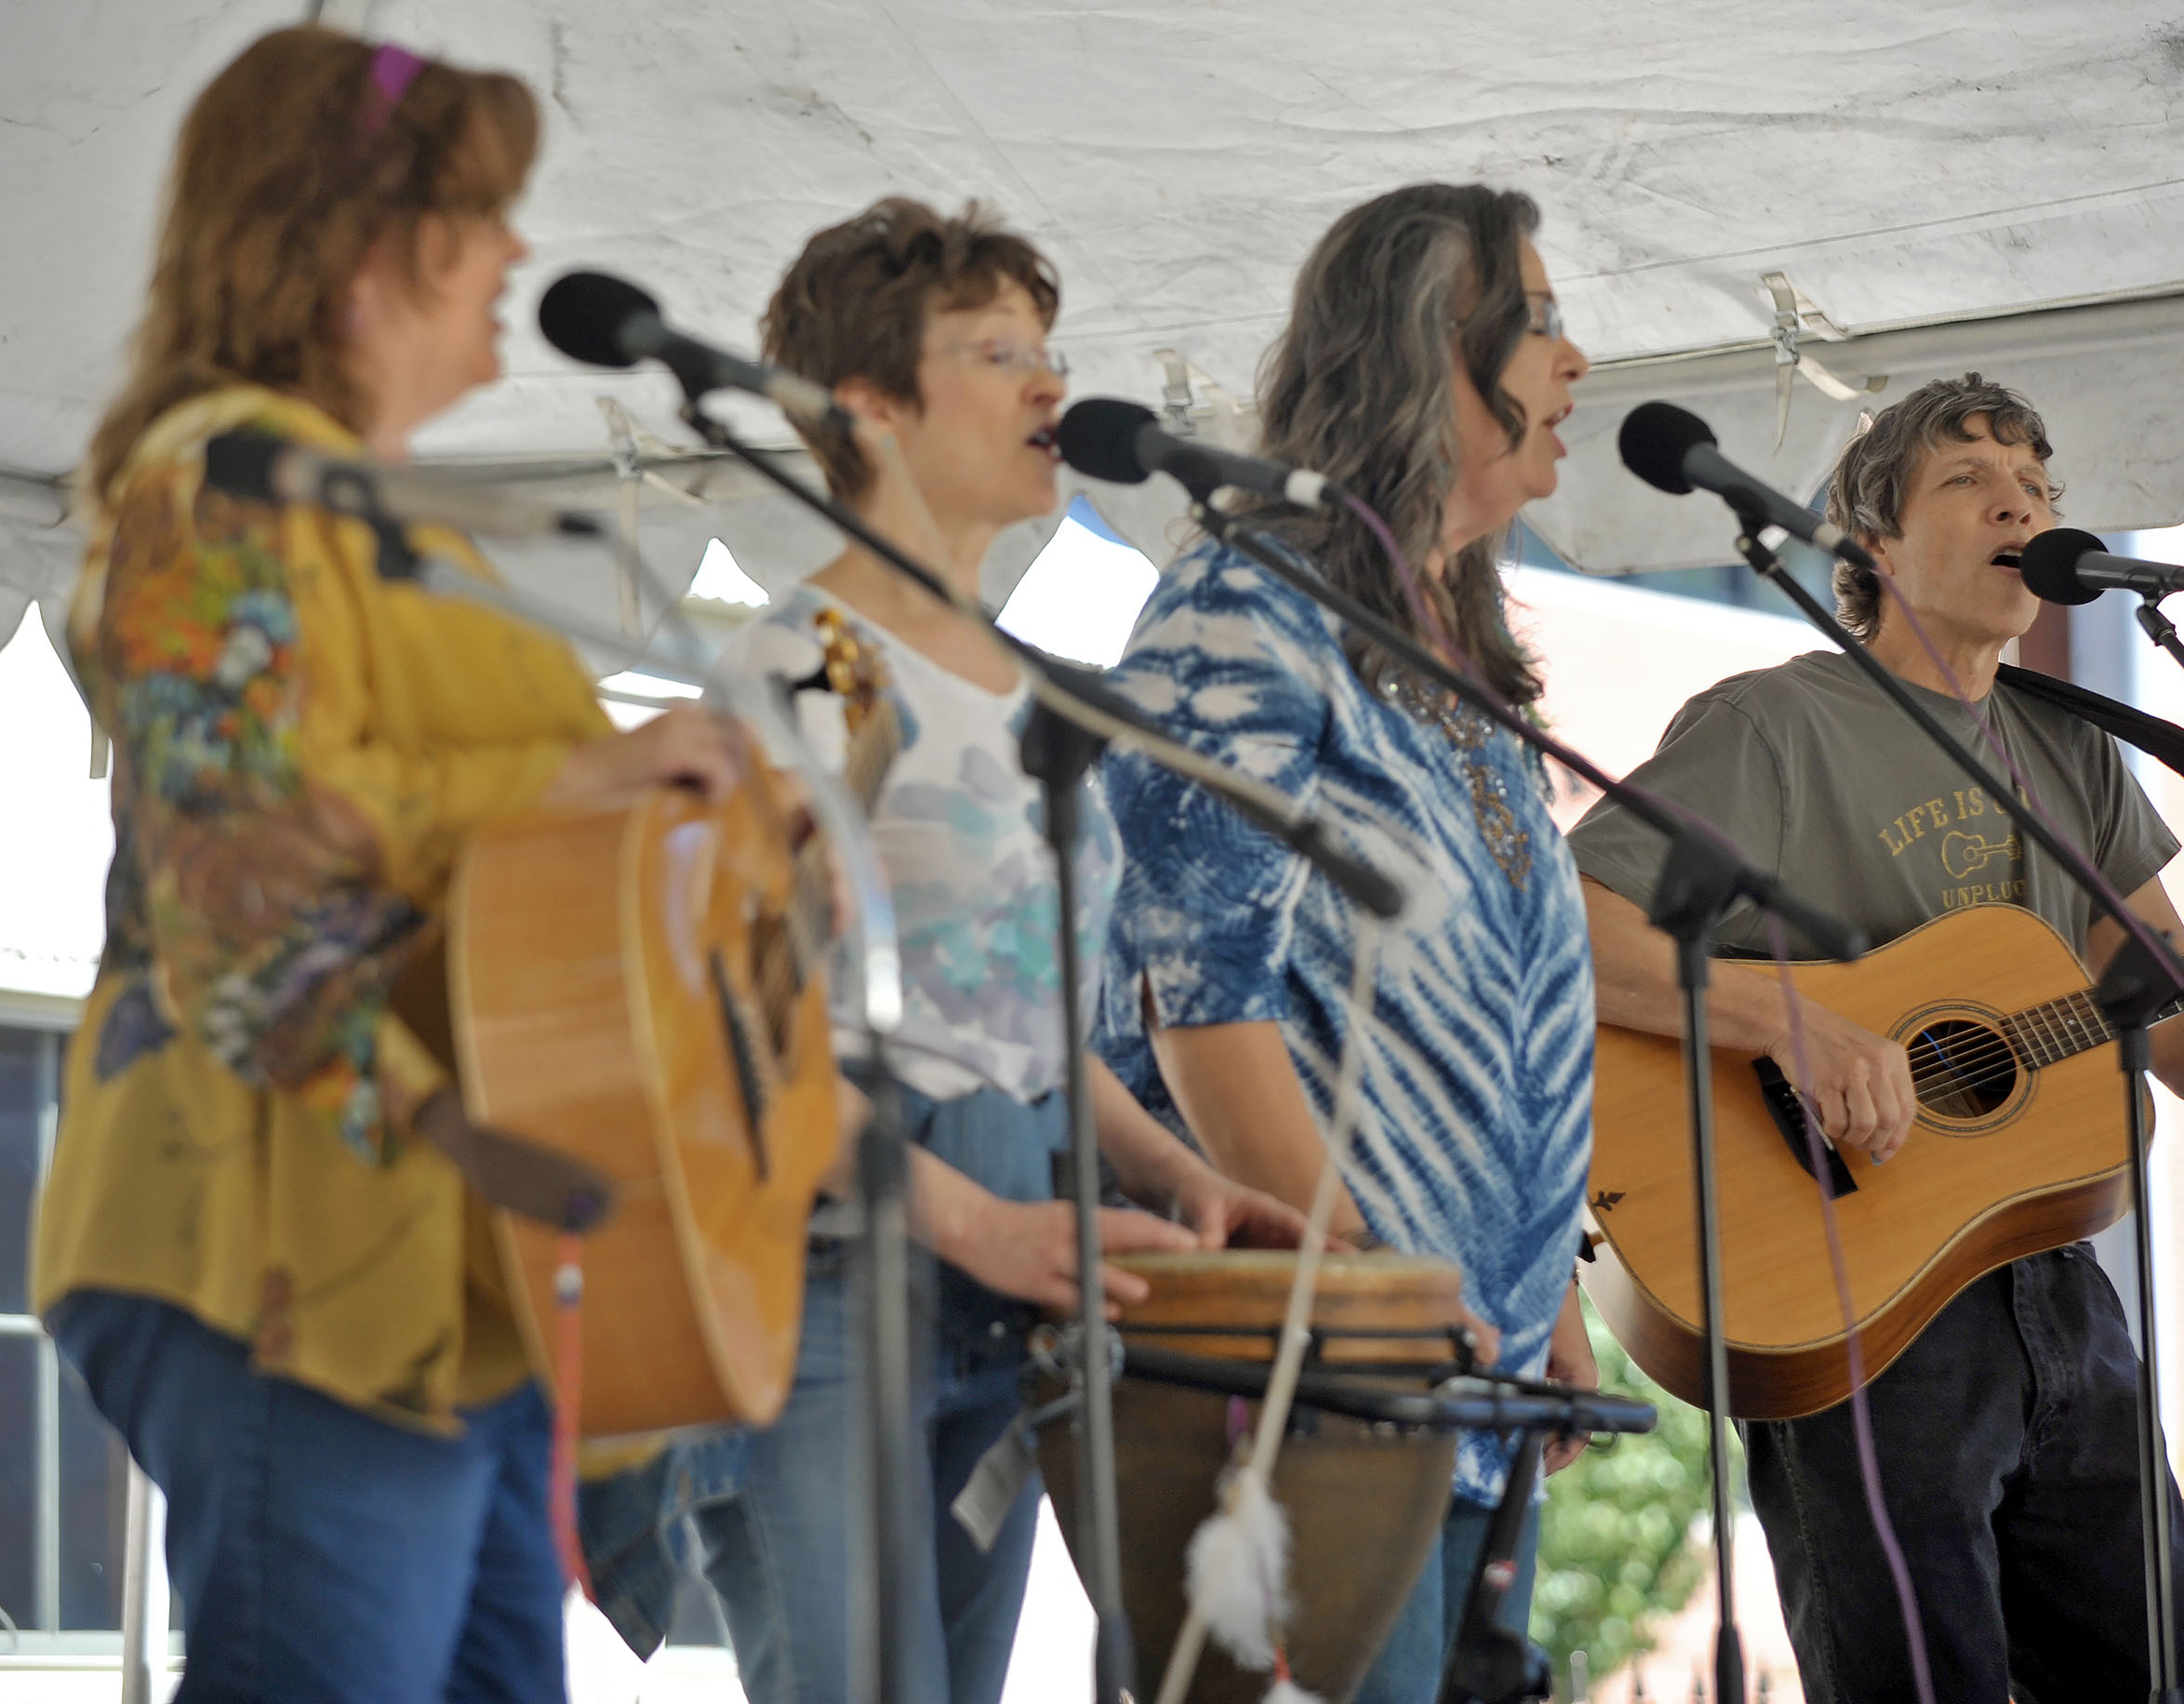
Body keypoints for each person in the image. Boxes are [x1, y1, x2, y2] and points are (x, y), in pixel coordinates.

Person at [1564, 374, 2184, 1702]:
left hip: (2062, 1293)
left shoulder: (2076, 759)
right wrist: (1794, 1019)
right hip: (1853, 1293)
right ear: (1870, 541)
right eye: (1970, 479)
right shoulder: (1775, 725)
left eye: (2040, 489)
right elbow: (1565, 929)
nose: (2023, 503)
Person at [30, 27, 757, 1702]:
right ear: (355, 237)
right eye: (480, 211)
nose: (516, 251)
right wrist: (584, 770)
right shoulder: (214, 482)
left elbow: (541, 866)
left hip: (452, 1262)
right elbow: (248, 854)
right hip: (280, 1229)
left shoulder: (395, 521)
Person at [576, 196, 1311, 1704]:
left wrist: (1180, 1178)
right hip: (829, 1291)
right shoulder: (809, 666)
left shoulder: (1036, 685)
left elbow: (1017, 1019)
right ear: (870, 408)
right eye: (997, 351)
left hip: (1008, 1293)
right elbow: (731, 1026)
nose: (1051, 386)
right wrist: (976, 1223)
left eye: (1047, 348)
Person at [1094, 181, 1601, 1701]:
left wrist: (1546, 1303)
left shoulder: (1473, 659)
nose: (1578, 365)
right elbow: (1199, 1001)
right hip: (1307, 1374)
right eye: (1545, 321)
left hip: (1453, 1372)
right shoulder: (1246, 608)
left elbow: (1505, 1013)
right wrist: (1367, 1290)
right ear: (1428, 353)